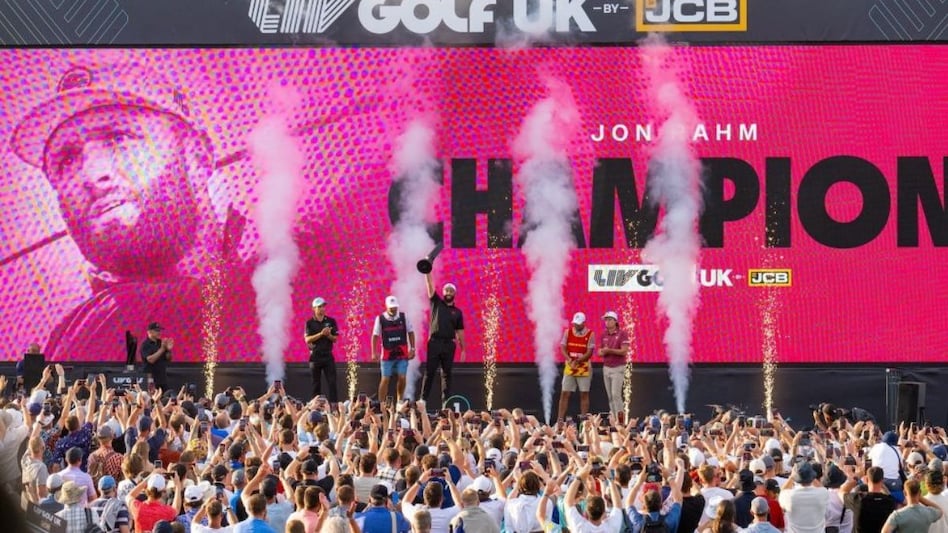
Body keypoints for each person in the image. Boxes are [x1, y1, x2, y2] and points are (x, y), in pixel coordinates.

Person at [10, 62, 249, 363]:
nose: (92, 174)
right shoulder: (84, 336)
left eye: (118, 139)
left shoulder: (292, 276)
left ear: (198, 156)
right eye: (66, 159)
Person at [421, 273, 465, 405]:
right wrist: (427, 271)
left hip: (449, 344)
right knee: (429, 372)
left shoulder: (457, 312)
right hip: (435, 342)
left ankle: (446, 404)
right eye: (447, 290)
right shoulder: (436, 302)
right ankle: (422, 400)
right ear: (443, 292)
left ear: (454, 293)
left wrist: (463, 349)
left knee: (446, 374)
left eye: (451, 290)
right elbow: (429, 284)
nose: (449, 292)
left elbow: (460, 331)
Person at [371, 296, 416, 402]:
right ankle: (381, 404)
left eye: (395, 307)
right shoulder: (380, 319)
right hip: (387, 356)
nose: (393, 309)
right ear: (386, 307)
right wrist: (374, 352)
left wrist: (413, 348)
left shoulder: (404, 317)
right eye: (391, 307)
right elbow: (375, 335)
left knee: (402, 377)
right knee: (385, 379)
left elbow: (411, 332)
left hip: (402, 355)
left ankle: (399, 401)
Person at [557, 312, 595, 422]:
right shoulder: (568, 332)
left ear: (584, 323)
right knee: (565, 392)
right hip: (570, 366)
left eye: (578, 324)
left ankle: (583, 420)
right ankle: (560, 420)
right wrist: (569, 360)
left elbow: (589, 352)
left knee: (584, 393)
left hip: (583, 367)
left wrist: (578, 361)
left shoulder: (590, 334)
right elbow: (563, 347)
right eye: (575, 323)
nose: (576, 326)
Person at [304, 297, 339, 401]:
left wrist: (328, 335)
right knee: (316, 384)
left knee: (332, 382)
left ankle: (334, 406)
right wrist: (321, 334)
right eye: (319, 307)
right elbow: (307, 339)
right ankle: (316, 407)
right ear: (314, 308)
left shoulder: (331, 321)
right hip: (315, 356)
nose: (322, 308)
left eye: (323, 306)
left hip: (328, 355)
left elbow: (335, 339)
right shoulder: (309, 323)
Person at [779, 462, 829, 533]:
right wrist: (812, 477)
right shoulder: (822, 493)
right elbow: (822, 488)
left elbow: (782, 492)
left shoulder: (788, 496)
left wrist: (792, 477)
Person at [598, 310, 630, 415]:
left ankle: (620, 420)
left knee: (616, 394)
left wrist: (609, 350)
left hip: (618, 367)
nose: (607, 322)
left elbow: (624, 351)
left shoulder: (622, 334)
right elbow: (600, 351)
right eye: (605, 320)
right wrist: (602, 352)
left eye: (609, 320)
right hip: (606, 368)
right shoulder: (603, 334)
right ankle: (614, 418)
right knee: (610, 396)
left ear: (615, 321)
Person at [141, 322, 173, 391]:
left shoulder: (160, 343)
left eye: (160, 330)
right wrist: (162, 349)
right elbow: (150, 360)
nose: (159, 332)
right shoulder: (145, 344)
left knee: (167, 397)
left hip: (162, 377)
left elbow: (168, 358)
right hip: (151, 378)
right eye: (157, 331)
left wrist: (168, 350)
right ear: (149, 332)